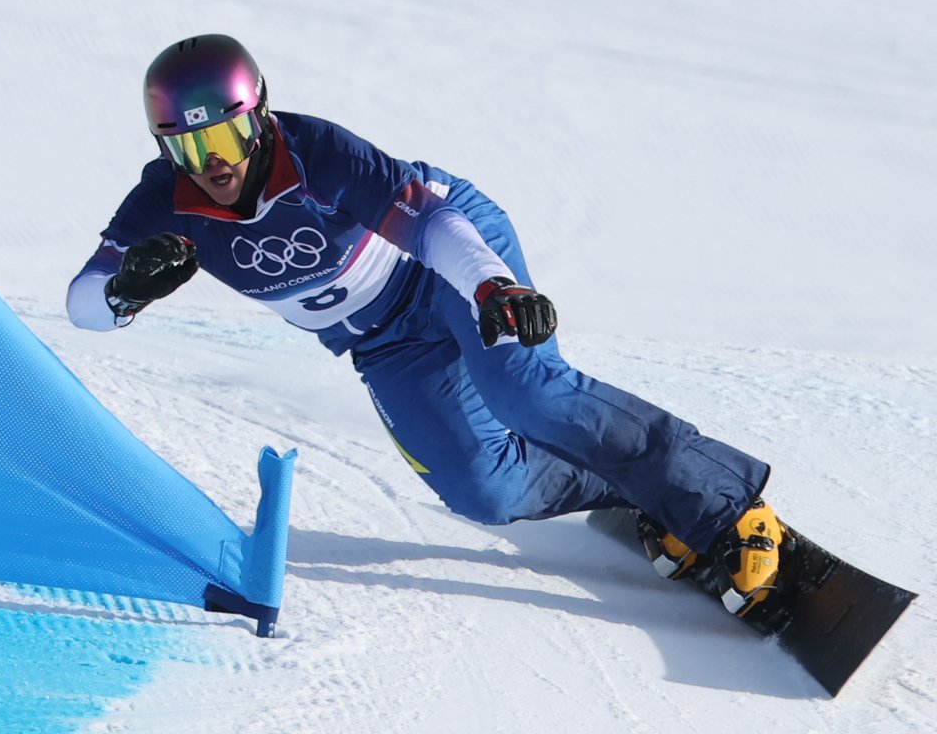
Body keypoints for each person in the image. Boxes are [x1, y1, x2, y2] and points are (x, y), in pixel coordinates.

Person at [67, 34, 785, 615]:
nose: (214, 166)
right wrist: (124, 291)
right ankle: (641, 488)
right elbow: (83, 302)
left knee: (528, 395)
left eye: (226, 139)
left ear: (260, 117)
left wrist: (491, 285)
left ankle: (727, 505)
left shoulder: (317, 153)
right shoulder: (163, 200)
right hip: (382, 340)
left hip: (448, 268)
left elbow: (435, 223)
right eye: (190, 149)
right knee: (486, 491)